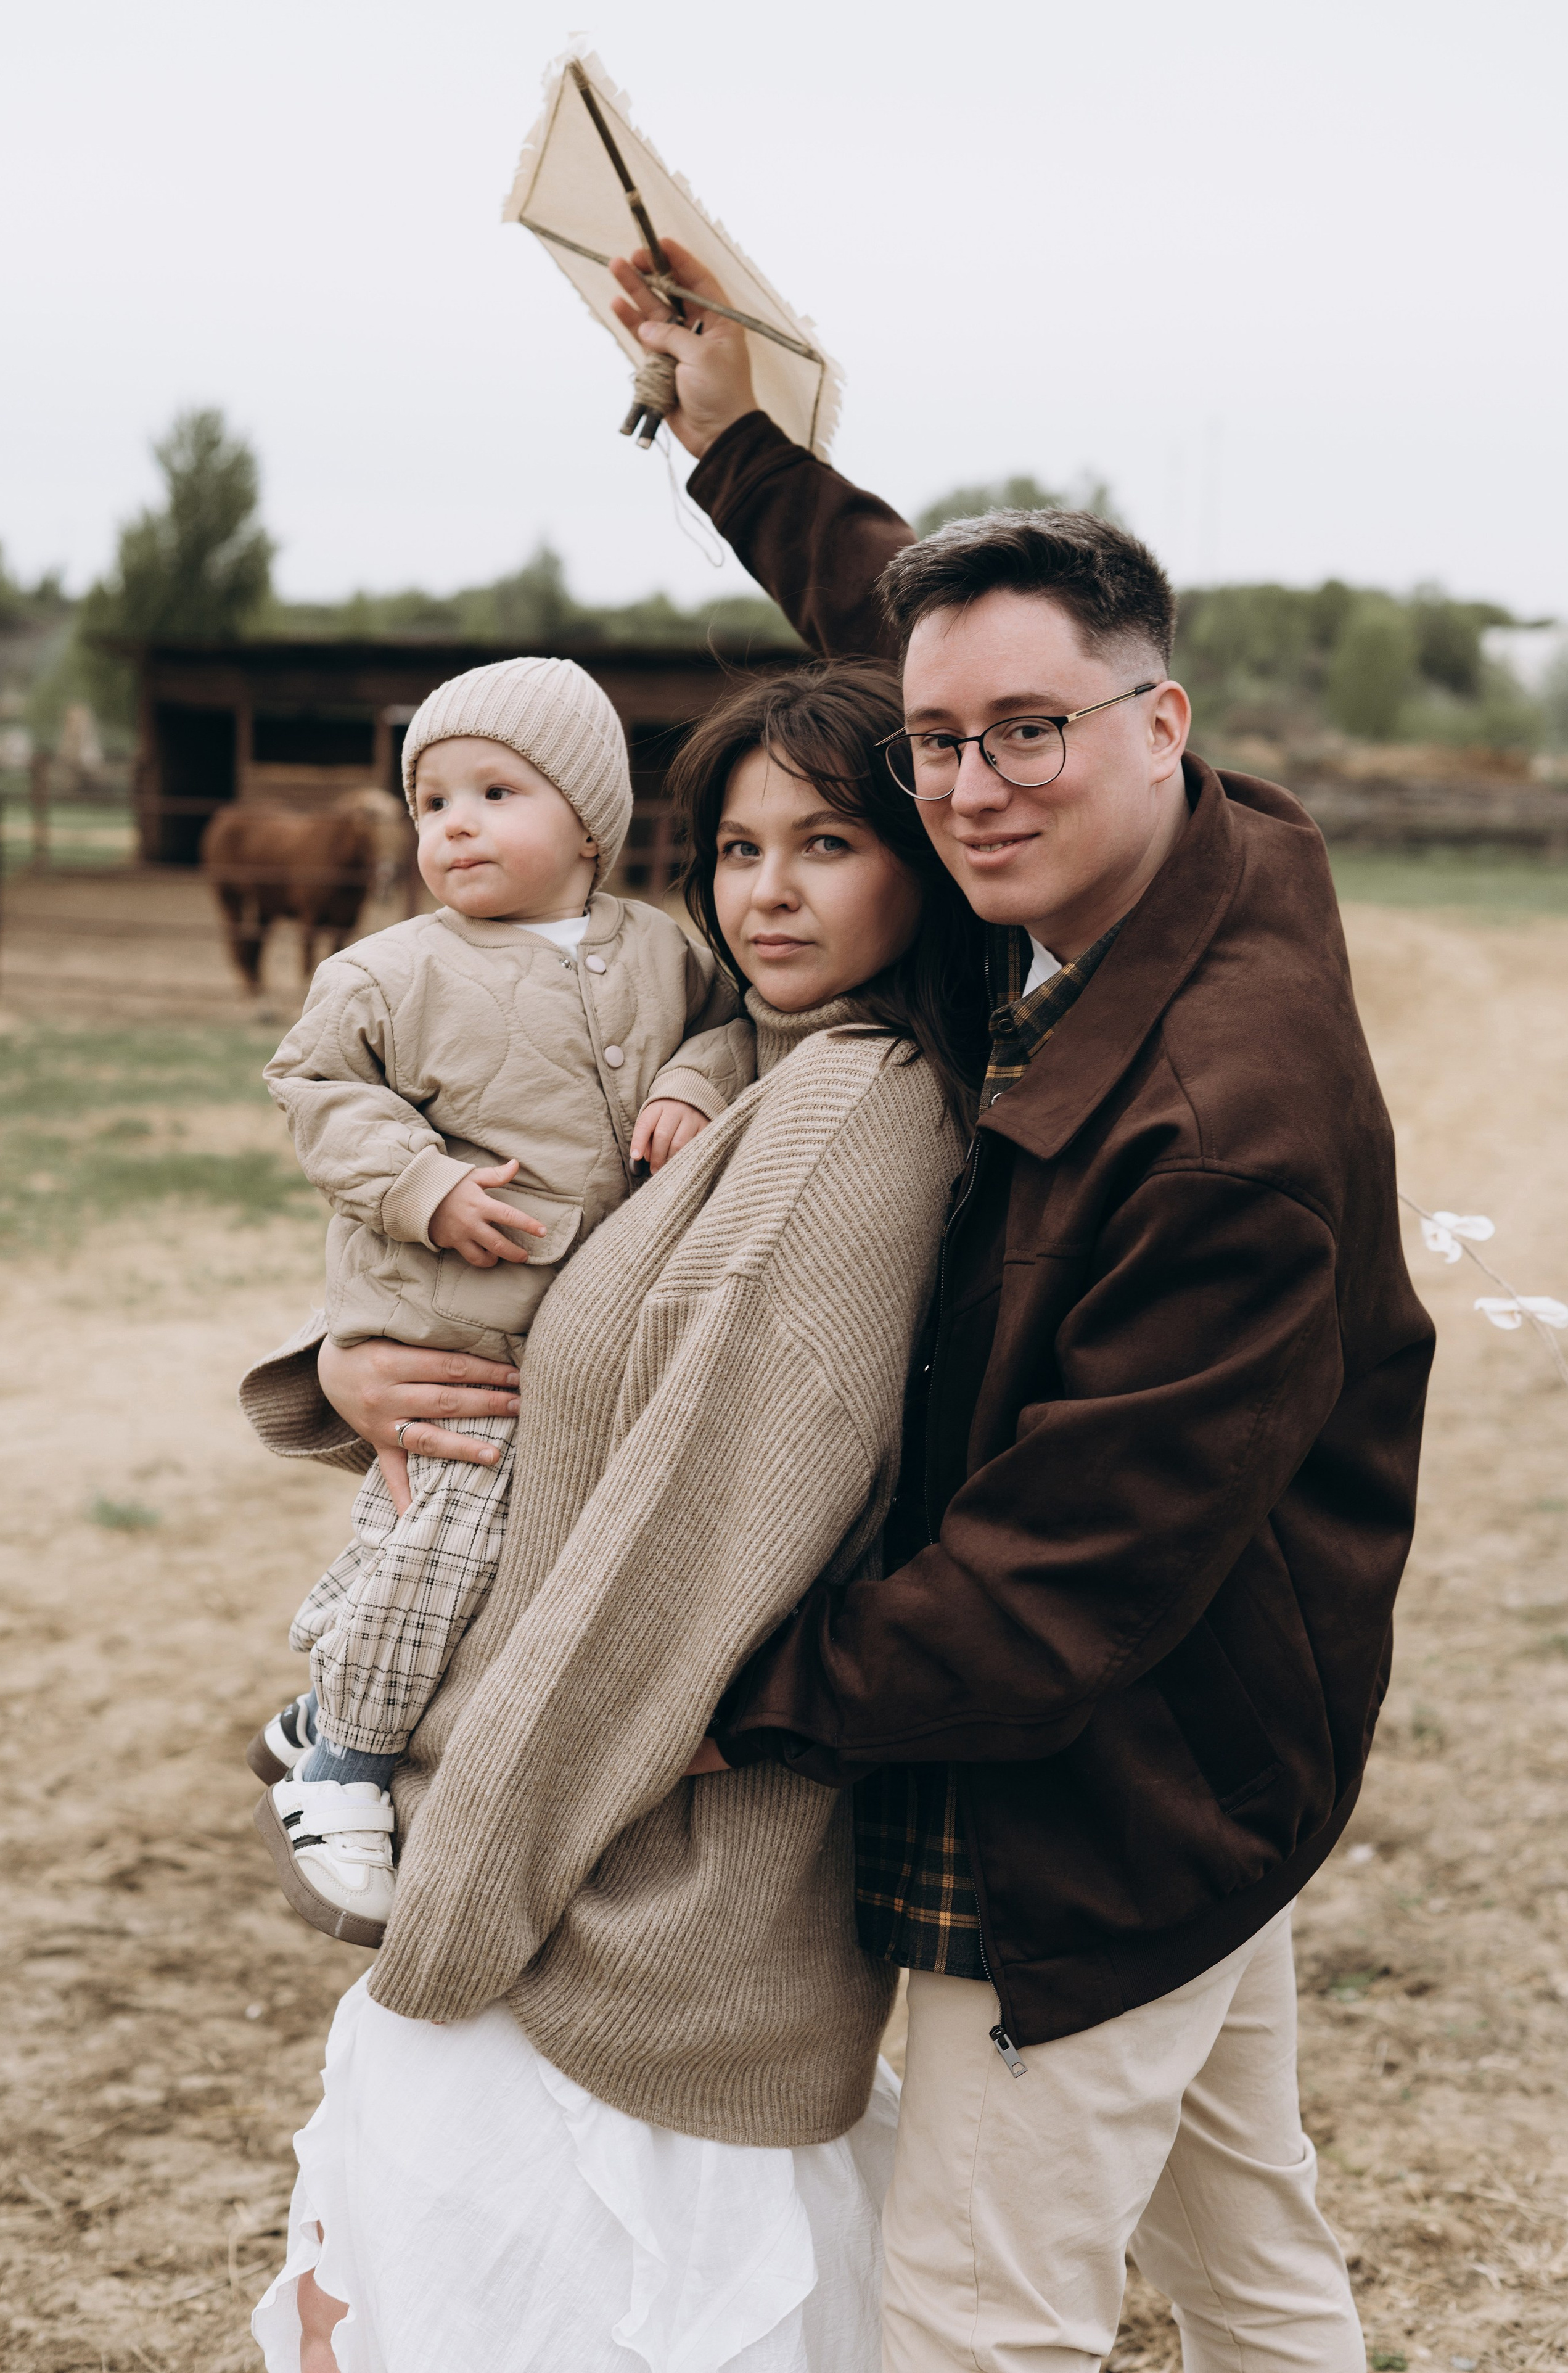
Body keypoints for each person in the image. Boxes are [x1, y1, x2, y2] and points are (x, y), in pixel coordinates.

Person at [601, 240, 1439, 2370]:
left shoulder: (1220, 1121)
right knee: (1254, 2267)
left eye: (1029, 737)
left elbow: (1052, 1591)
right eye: (943, 743)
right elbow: (899, 614)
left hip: (1103, 1785)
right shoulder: (1186, 851)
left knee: (973, 2316)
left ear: (1159, 724)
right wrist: (729, 438)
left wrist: (717, 1683)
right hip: (1217, 1764)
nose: (967, 787)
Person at [243, 659, 991, 2371]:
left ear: (925, 863)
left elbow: (667, 1582)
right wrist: (348, 1369)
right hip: (591, 1886)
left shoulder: (838, 1129)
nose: (769, 894)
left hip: (614, 1924)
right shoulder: (750, 1071)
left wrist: (454, 1907)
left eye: (830, 844)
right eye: (736, 849)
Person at [245, 653, 753, 1943]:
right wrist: (420, 1181)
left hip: (588, 1346)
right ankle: (343, 1764)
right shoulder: (385, 976)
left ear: (590, 821)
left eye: (492, 792)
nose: (451, 824)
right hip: (450, 1335)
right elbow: (315, 1095)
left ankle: (327, 1697)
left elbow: (731, 1027)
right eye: (429, 801)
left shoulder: (663, 950)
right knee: (438, 1544)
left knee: (518, 1570)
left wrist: (694, 1083)